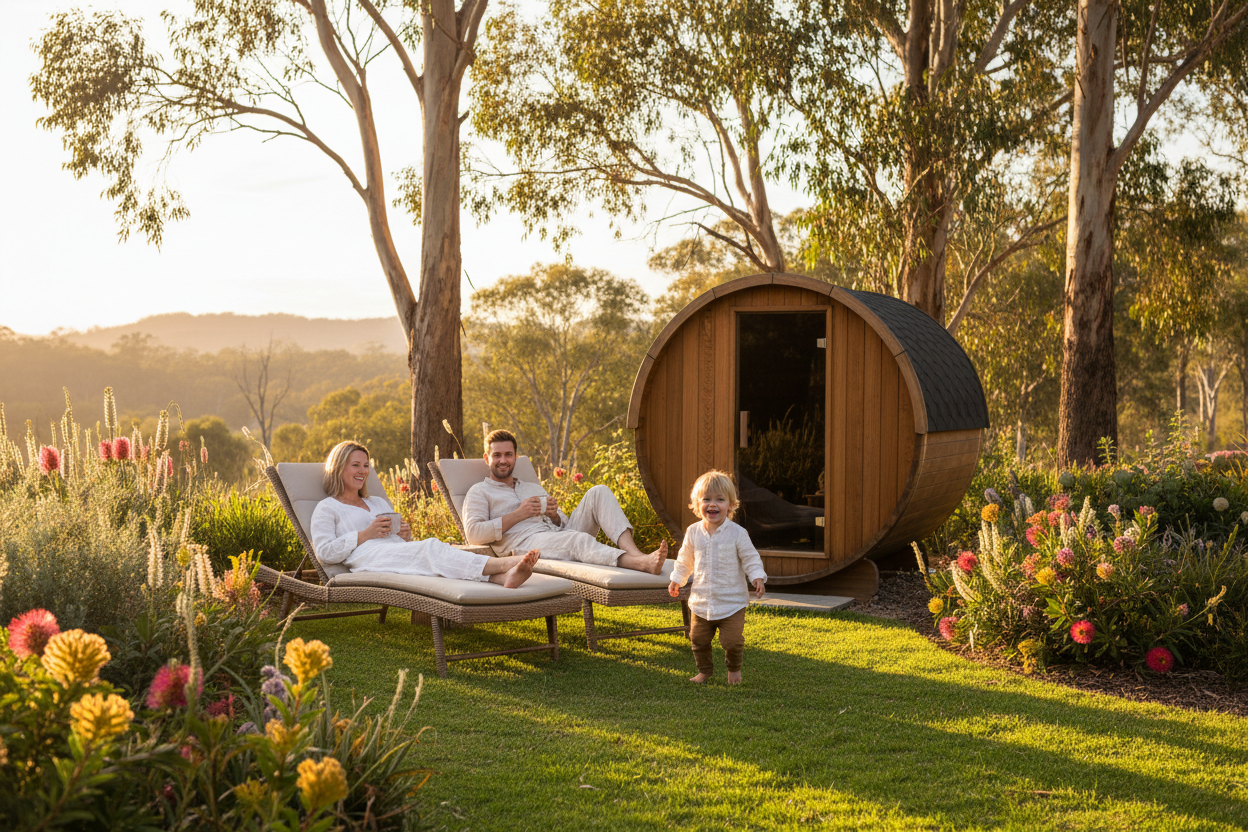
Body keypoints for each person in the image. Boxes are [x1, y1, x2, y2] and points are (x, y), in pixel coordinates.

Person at [310, 441, 539, 588]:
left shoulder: (376, 502)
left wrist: (404, 535)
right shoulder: (327, 508)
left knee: (431, 555)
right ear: (338, 467)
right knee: (430, 548)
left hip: (394, 552)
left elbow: (399, 542)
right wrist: (364, 535)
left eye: (366, 466)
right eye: (355, 465)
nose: (363, 471)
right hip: (367, 560)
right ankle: (503, 564)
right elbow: (324, 553)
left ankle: (501, 578)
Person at [462, 429, 668, 573]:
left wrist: (554, 516)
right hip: (525, 544)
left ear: (515, 457)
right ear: (487, 458)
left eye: (508, 454)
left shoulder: (531, 488)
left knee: (599, 491)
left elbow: (564, 525)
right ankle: (640, 564)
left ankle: (637, 554)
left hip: (558, 535)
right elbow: (473, 534)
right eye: (497, 455)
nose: (503, 460)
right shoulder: (479, 491)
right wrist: (518, 514)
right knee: (576, 540)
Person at [667, 470, 767, 684]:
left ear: (730, 505)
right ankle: (704, 671)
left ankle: (734, 671)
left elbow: (750, 558)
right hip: (701, 602)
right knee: (698, 639)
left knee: (732, 641)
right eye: (706, 499)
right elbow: (685, 560)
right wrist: (677, 578)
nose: (712, 504)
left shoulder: (738, 533)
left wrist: (757, 576)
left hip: (732, 603)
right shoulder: (693, 532)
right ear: (697, 503)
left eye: (720, 500)